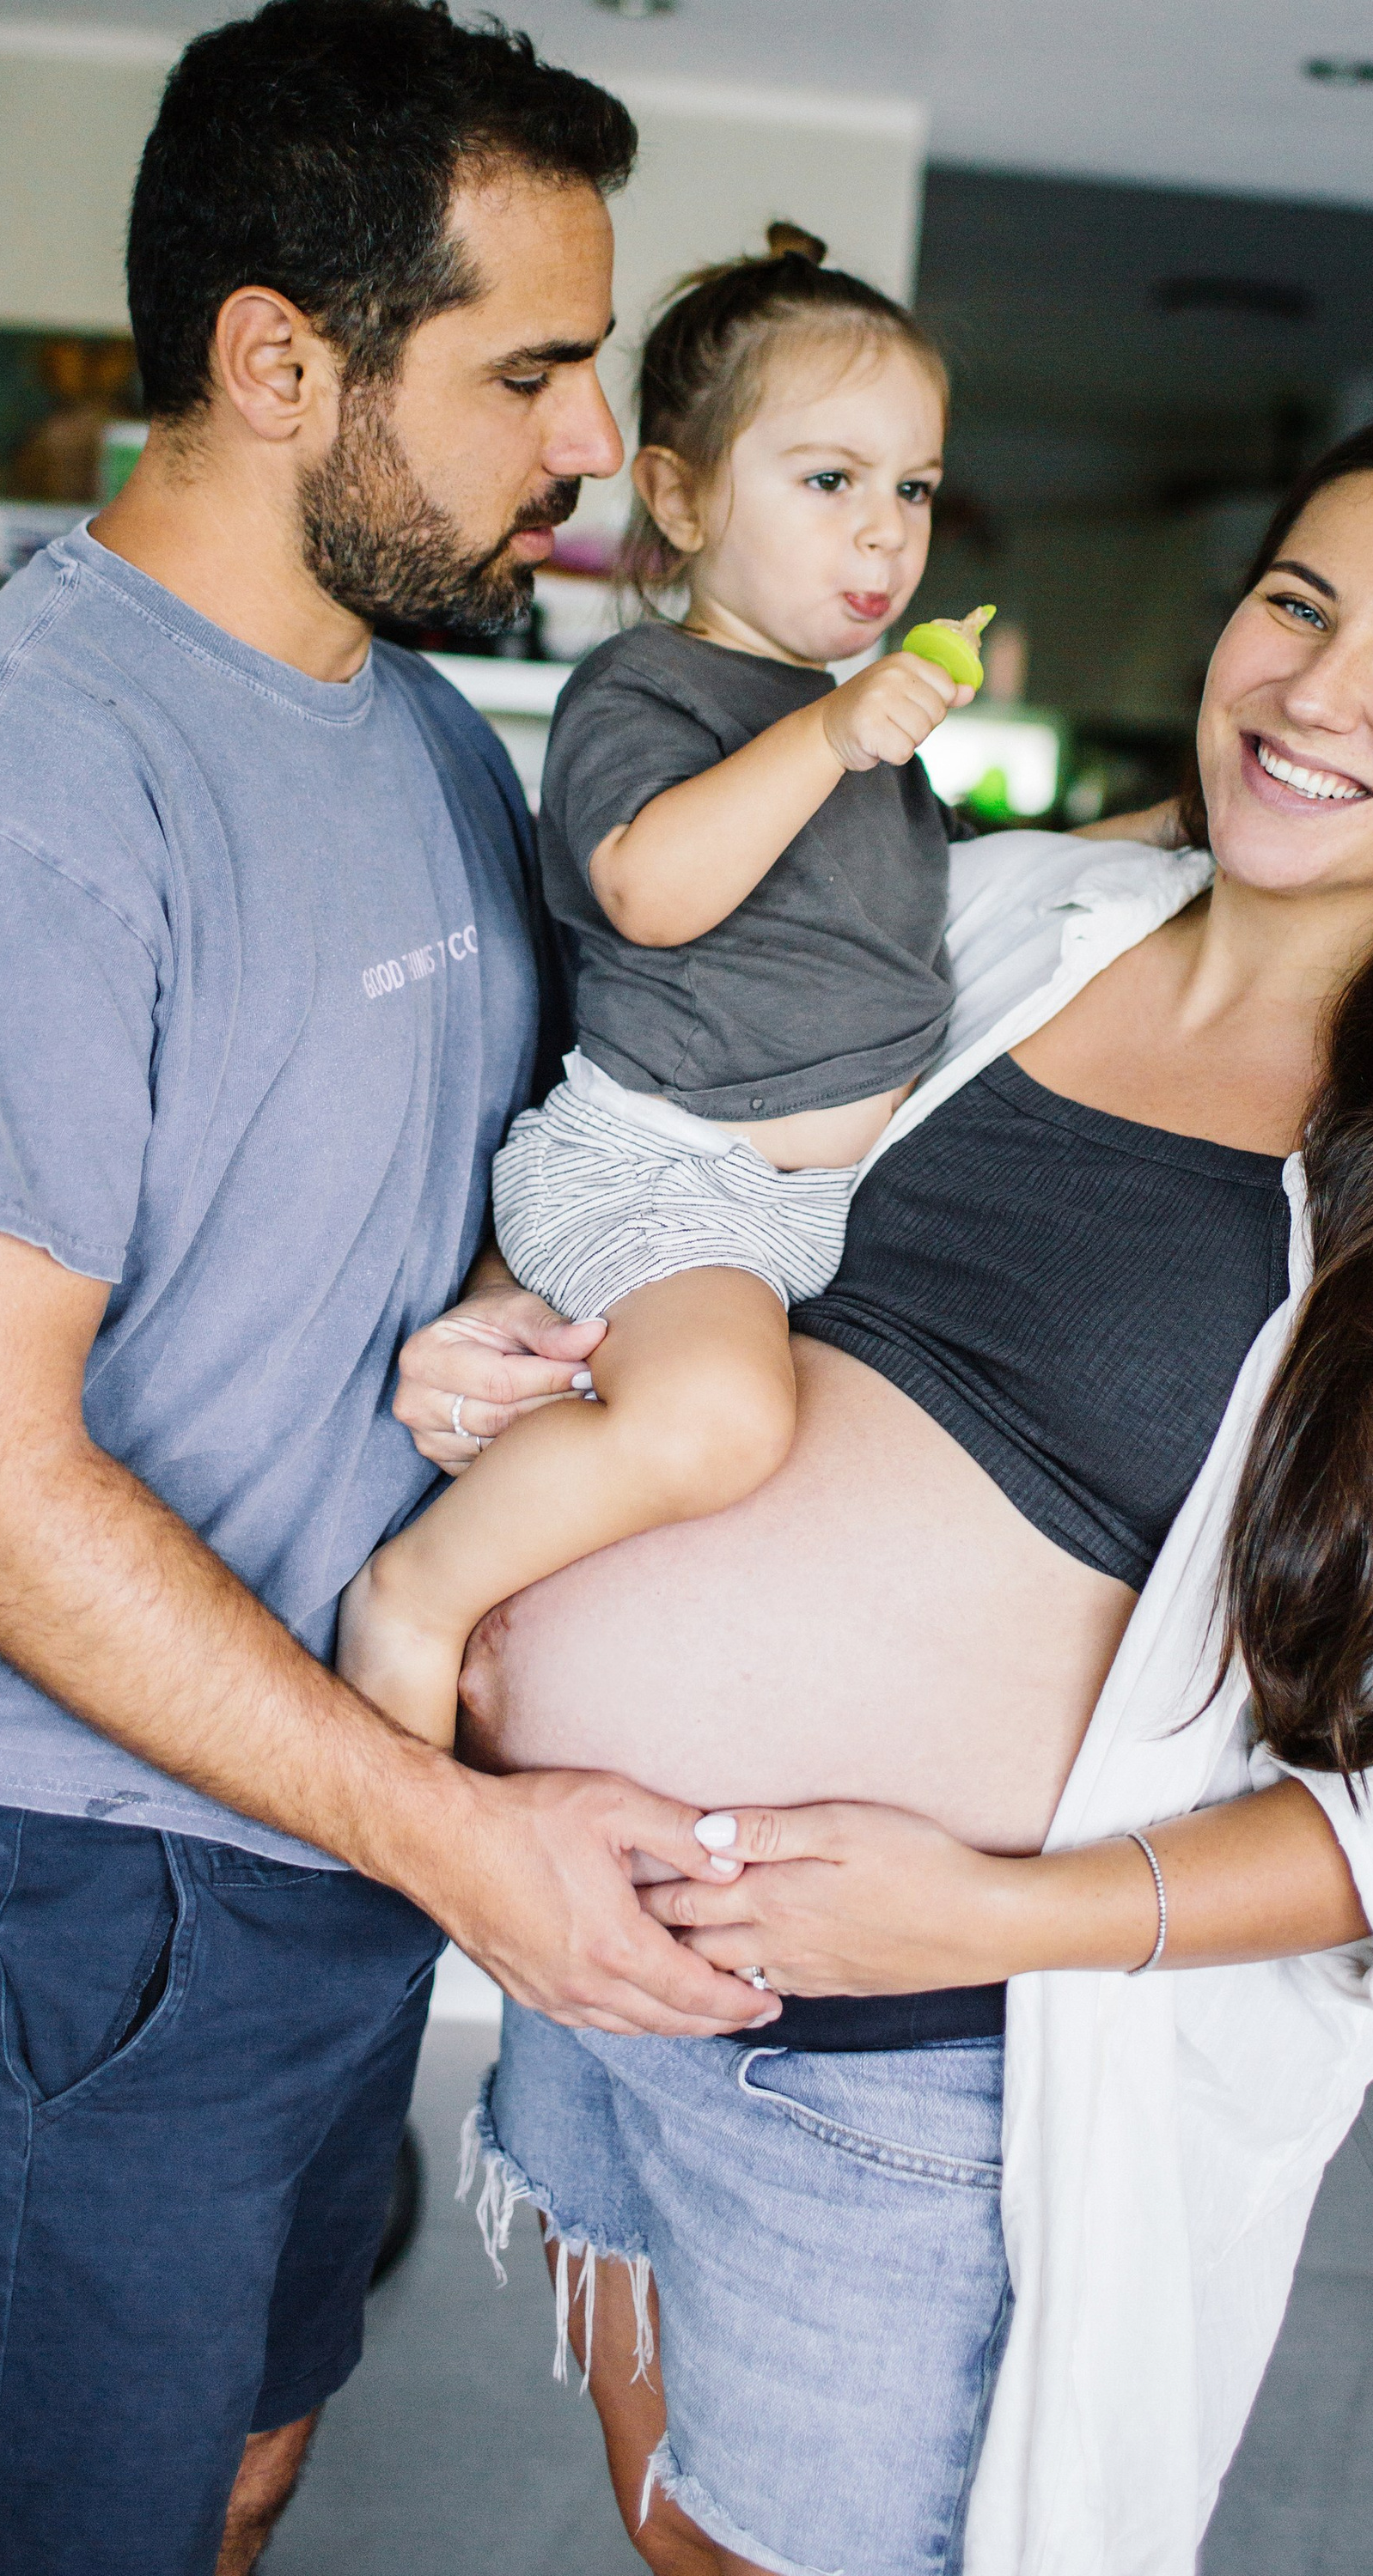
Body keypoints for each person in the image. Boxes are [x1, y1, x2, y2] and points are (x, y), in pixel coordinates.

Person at [417, 405, 1373, 2576]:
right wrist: (506, 1314)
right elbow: (666, 1136)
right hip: (580, 1944)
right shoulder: (1001, 912)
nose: (1311, 688)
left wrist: (997, 1919)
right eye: (1295, 604)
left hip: (914, 2078)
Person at [0, 0, 772, 2576]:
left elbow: (446, 1215)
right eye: (535, 367)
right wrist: (454, 1839)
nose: (590, 441)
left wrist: (482, 1317)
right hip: (75, 1874)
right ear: (277, 359)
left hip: (322, 1811)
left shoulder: (421, 738)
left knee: (243, 2462)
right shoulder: (11, 794)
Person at [338, 224, 986, 1744]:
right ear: (683, 498)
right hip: (655, 1168)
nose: (883, 536)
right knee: (720, 1421)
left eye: (914, 491)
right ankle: (419, 1598)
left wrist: (1168, 832)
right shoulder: (654, 689)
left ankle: (535, 1587)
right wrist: (832, 739)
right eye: (828, 482)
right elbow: (647, 883)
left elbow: (930, 896)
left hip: (785, 1211)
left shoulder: (860, 731)